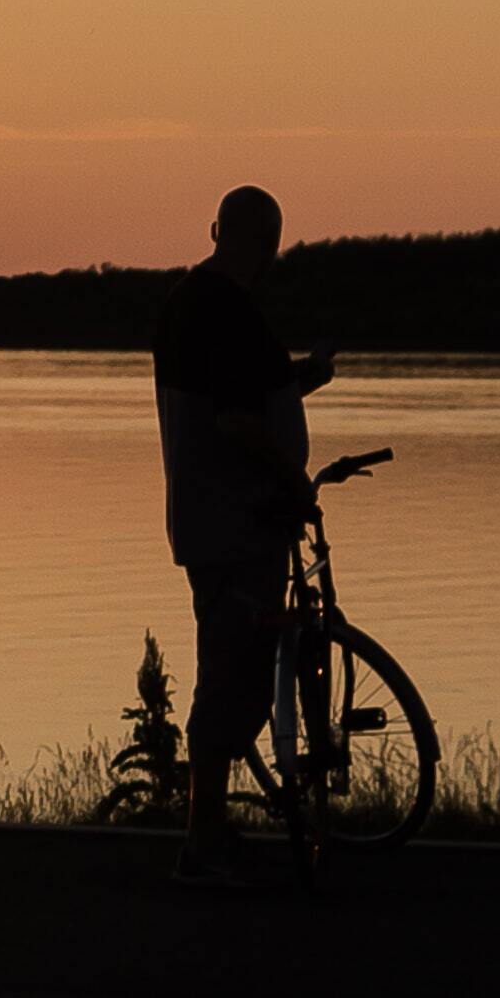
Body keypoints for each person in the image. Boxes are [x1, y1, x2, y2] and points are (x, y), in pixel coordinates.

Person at [150, 186, 332, 876]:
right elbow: (235, 420)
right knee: (232, 678)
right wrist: (291, 480)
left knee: (230, 670)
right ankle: (203, 836)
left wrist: (301, 380)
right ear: (268, 242)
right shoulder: (222, 311)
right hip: (233, 522)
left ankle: (209, 828)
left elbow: (236, 395)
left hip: (214, 519)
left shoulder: (191, 304)